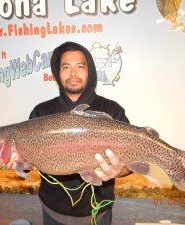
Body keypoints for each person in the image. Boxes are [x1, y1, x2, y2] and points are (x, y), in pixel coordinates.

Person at [29, 41, 131, 225]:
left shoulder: (112, 110)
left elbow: (131, 163)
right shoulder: (40, 113)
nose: (73, 73)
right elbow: (28, 163)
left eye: (80, 66)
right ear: (57, 73)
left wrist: (119, 171)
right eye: (66, 67)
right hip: (52, 212)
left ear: (89, 70)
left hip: (98, 214)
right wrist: (15, 162)